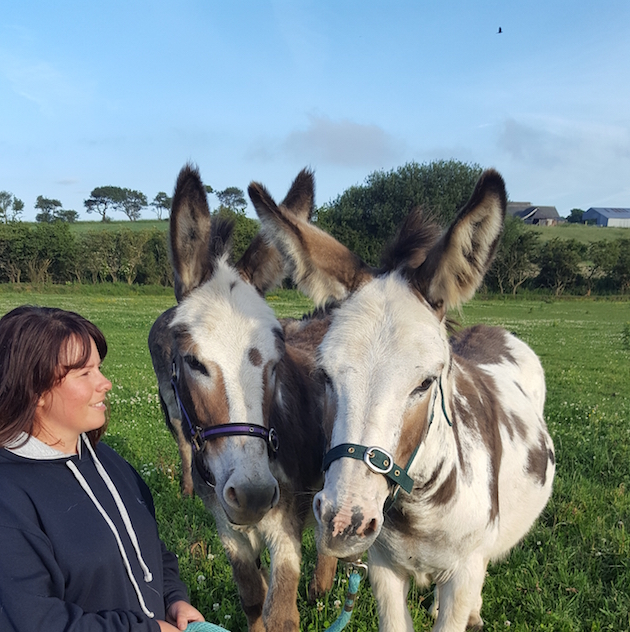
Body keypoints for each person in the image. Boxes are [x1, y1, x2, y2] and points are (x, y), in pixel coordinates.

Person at [0, 305, 205, 632]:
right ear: (35, 390)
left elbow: (151, 550)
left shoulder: (109, 461)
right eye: (85, 373)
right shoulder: (9, 497)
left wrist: (173, 599)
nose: (105, 383)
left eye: (100, 368)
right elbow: (36, 621)